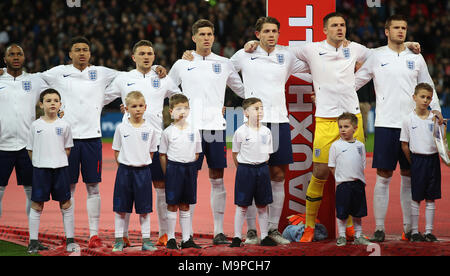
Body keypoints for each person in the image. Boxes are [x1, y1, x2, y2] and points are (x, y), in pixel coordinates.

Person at [244, 12, 422, 243]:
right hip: (325, 121)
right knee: (319, 173)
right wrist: (254, 43)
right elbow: (280, 49)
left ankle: (351, 229)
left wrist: (405, 44)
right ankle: (308, 227)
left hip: (352, 118)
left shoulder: (356, 48)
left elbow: (383, 53)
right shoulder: (311, 49)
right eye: (335, 25)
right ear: (324, 30)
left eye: (343, 25)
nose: (340, 28)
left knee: (352, 176)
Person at [354, 15, 442, 242]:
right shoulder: (376, 56)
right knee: (383, 176)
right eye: (396, 28)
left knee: (408, 176)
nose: (401, 31)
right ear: (386, 31)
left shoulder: (416, 57)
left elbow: (428, 85)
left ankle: (408, 229)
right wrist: (329, 95)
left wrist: (437, 111)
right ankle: (380, 228)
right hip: (385, 123)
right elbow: (355, 82)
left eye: (404, 27)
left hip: (413, 125)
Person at [228, 16, 310, 245]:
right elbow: (225, 71)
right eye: (266, 31)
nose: (271, 35)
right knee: (254, 176)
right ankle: (252, 230)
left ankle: (273, 230)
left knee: (278, 176)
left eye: (275, 31)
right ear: (257, 34)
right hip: (254, 122)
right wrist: (245, 93)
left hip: (279, 120)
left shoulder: (287, 55)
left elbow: (313, 66)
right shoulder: (244, 54)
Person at [168, 19, 245, 245]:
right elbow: (167, 89)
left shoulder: (224, 63)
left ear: (213, 36)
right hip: (189, 130)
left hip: (215, 128)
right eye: (201, 34)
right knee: (188, 180)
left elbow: (241, 89)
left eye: (209, 34)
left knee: (217, 178)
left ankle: (219, 231)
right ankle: (188, 235)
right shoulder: (182, 63)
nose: (206, 38)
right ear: (193, 38)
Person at [37, 36, 119, 248]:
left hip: (92, 138)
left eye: (85, 49)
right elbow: (35, 78)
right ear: (70, 54)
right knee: (69, 188)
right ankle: (70, 236)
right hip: (67, 140)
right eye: (77, 49)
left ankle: (94, 234)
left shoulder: (101, 72)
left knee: (93, 187)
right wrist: (6, 75)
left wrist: (156, 68)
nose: (82, 53)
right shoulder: (58, 72)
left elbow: (129, 77)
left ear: (90, 53)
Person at [104, 40, 181, 246]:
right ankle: (124, 236)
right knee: (127, 190)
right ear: (133, 57)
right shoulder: (123, 78)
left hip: (156, 140)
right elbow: (102, 98)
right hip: (131, 141)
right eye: (142, 53)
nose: (146, 57)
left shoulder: (163, 78)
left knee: (160, 186)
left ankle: (164, 234)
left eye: (150, 53)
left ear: (154, 57)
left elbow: (181, 98)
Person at [26, 89, 78, 253]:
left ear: (60, 104)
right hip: (41, 170)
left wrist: (58, 160)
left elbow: (67, 148)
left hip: (61, 169)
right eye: (48, 101)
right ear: (41, 104)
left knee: (66, 203)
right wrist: (40, 162)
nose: (53, 103)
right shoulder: (35, 125)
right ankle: (33, 241)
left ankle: (70, 240)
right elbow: (30, 149)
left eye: (56, 100)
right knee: (37, 204)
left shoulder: (64, 125)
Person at [0, 44, 48, 219]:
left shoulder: (35, 80)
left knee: (32, 192)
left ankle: (32, 235)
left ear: (24, 57)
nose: (15, 57)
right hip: (1, 145)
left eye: (19, 54)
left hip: (27, 147)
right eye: (11, 54)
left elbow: (58, 88)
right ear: (5, 60)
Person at [111, 91, 158, 252]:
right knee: (121, 208)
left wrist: (140, 162)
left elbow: (151, 152)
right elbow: (116, 151)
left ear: (145, 107)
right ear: (126, 108)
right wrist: (127, 164)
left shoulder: (150, 129)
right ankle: (119, 240)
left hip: (143, 172)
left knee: (144, 209)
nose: (137, 109)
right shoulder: (121, 128)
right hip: (124, 172)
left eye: (140, 106)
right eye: (133, 106)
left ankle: (146, 240)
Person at [230, 97, 278, 247]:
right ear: (246, 112)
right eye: (256, 109)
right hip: (245, 170)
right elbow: (235, 153)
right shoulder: (240, 132)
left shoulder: (267, 131)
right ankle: (237, 237)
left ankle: (264, 237)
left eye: (261, 108)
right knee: (242, 205)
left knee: (263, 205)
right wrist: (244, 168)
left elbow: (268, 153)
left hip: (262, 169)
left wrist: (260, 165)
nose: (260, 112)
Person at [159, 94, 203, 249]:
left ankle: (186, 239)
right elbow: (162, 155)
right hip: (173, 169)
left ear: (189, 110)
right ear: (171, 111)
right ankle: (171, 238)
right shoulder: (168, 132)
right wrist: (168, 172)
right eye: (178, 108)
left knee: (185, 205)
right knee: (172, 204)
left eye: (185, 108)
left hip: (189, 169)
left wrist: (190, 167)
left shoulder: (194, 130)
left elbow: (197, 153)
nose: (182, 111)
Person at [400, 83, 441, 242]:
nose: (425, 100)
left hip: (433, 159)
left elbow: (440, 139)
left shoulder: (434, 117)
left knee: (431, 197)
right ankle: (415, 231)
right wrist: (413, 161)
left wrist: (444, 152)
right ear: (414, 97)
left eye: (428, 98)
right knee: (416, 196)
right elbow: (404, 144)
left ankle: (429, 231)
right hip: (417, 159)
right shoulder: (408, 119)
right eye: (422, 97)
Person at [329, 113, 371, 246]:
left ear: (355, 128)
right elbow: (332, 166)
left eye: (346, 126)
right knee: (342, 212)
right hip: (343, 185)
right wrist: (341, 178)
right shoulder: (335, 146)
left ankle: (358, 236)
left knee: (358, 212)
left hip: (358, 184)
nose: (342, 129)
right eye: (340, 126)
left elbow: (362, 163)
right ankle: (341, 236)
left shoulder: (360, 146)